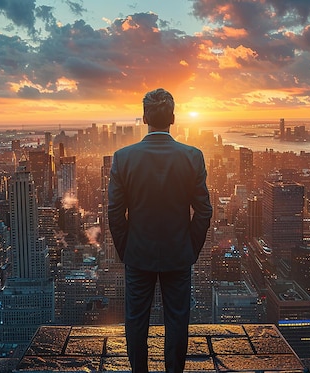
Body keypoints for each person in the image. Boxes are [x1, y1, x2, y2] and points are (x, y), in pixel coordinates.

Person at [108, 88, 212, 373]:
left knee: (136, 320)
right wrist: (189, 247)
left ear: (144, 118)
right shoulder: (192, 156)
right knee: (178, 319)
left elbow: (115, 212)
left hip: (137, 253)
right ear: (173, 118)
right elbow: (204, 210)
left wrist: (127, 249)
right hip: (178, 254)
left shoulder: (123, 157)